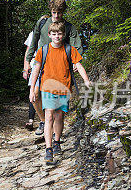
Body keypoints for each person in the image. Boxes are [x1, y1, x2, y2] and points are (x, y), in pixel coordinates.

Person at [28, 21, 91, 166]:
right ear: (49, 35)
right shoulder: (43, 50)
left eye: (60, 34)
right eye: (54, 34)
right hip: (47, 88)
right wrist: (32, 90)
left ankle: (57, 142)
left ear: (64, 35)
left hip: (64, 89)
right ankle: (48, 149)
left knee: (59, 117)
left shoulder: (69, 49)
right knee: (49, 116)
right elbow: (36, 71)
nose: (57, 36)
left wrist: (86, 80)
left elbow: (79, 66)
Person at [24, 0, 84, 136]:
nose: (56, 16)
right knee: (34, 96)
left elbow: (77, 47)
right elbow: (33, 42)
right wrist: (27, 62)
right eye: (54, 12)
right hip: (40, 63)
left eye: (59, 13)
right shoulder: (42, 23)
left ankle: (52, 128)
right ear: (50, 11)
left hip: (59, 67)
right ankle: (44, 121)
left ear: (63, 12)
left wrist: (75, 62)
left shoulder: (69, 27)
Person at [23, 30, 38, 129]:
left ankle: (45, 121)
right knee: (32, 92)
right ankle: (31, 120)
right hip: (34, 63)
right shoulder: (33, 34)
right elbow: (28, 51)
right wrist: (25, 68)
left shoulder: (51, 32)